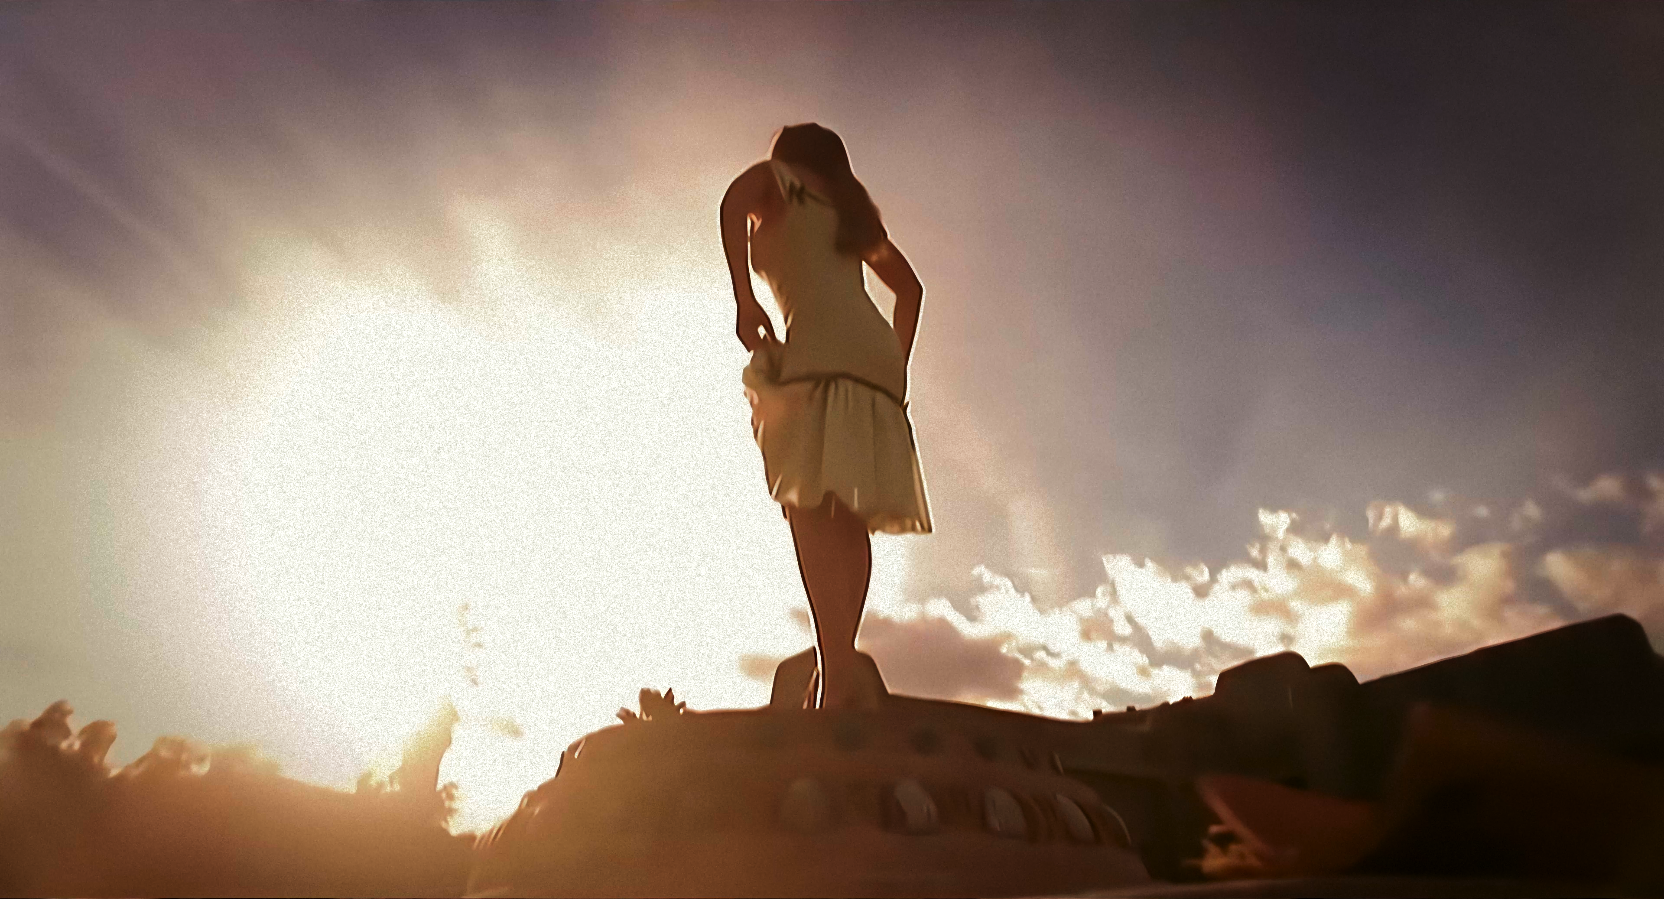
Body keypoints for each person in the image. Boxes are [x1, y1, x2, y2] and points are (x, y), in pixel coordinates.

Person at [719, 123, 932, 710]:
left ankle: (834, 666)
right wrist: (894, 361)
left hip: (818, 350)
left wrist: (744, 299)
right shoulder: (848, 211)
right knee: (847, 515)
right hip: (872, 360)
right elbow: (910, 290)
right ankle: (836, 667)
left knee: (807, 502)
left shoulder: (779, 181)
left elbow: (732, 203)